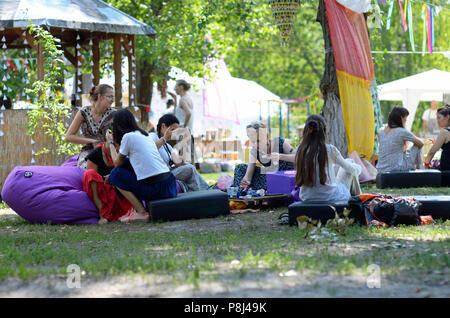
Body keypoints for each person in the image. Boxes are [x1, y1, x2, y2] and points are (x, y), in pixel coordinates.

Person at [106, 109, 177, 221]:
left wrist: (110, 143)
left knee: (115, 174)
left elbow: (116, 163)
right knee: (127, 165)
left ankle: (141, 212)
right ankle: (136, 210)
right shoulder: (144, 135)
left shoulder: (128, 137)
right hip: (170, 186)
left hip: (157, 190)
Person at [294, 115, 362, 202]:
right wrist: (359, 168)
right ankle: (360, 201)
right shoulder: (330, 150)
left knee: (345, 163)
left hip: (307, 197)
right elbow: (352, 170)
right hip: (330, 197)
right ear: (324, 131)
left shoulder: (300, 149)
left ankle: (358, 200)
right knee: (350, 164)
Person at [150, 114, 210, 192]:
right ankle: (202, 193)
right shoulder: (151, 137)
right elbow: (149, 149)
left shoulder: (167, 146)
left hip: (167, 173)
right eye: (173, 129)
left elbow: (179, 163)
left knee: (189, 167)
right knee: (189, 169)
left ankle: (207, 190)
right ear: (163, 126)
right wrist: (164, 138)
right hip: (158, 176)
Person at [232, 121, 295, 191]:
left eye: (258, 141)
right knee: (240, 167)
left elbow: (299, 157)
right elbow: (248, 175)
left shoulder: (279, 142)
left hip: (285, 175)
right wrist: (246, 181)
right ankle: (241, 192)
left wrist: (280, 156)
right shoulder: (254, 151)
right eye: (253, 142)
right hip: (269, 177)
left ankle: (259, 190)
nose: (255, 144)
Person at [65, 84, 116, 169]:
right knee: (86, 169)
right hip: (88, 151)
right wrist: (91, 141)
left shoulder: (114, 114)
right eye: (110, 97)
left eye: (113, 97)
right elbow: (68, 137)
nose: (113, 100)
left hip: (107, 151)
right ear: (100, 97)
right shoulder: (84, 112)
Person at [82, 141, 133, 224]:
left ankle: (126, 212)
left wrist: (113, 176)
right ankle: (101, 213)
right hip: (102, 191)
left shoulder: (124, 151)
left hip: (119, 190)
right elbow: (91, 180)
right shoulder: (95, 154)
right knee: (89, 174)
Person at [376, 106, 424, 173]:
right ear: (401, 118)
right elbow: (421, 144)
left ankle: (418, 168)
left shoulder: (380, 131)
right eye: (406, 119)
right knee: (417, 144)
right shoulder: (401, 131)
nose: (406, 121)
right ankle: (420, 168)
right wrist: (409, 148)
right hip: (396, 168)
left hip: (380, 168)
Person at [174, 79, 195, 163]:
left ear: (181, 87)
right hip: (190, 132)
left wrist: (184, 126)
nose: (175, 89)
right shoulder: (188, 98)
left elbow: (188, 113)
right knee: (190, 161)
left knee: (183, 161)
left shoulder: (182, 100)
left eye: (176, 87)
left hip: (183, 132)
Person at [424, 105, 450, 171]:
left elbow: (432, 152)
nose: (437, 120)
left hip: (447, 171)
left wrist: (426, 165)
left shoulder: (444, 132)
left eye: (439, 117)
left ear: (447, 117)